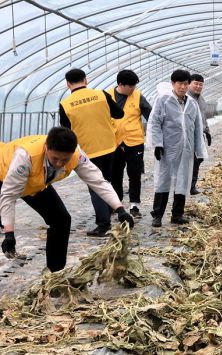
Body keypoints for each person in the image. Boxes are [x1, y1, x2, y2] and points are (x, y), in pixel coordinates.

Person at [0, 127, 134, 271]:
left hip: (34, 183)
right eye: (55, 158)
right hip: (4, 175)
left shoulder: (76, 154)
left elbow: (98, 181)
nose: (59, 163)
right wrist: (9, 234)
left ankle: (55, 273)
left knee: (61, 219)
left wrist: (120, 209)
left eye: (65, 160)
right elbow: (8, 195)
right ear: (46, 148)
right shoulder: (26, 157)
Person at [59, 68, 124, 237]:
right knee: (106, 181)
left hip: (87, 151)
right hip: (109, 146)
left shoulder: (65, 104)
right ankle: (110, 210)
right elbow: (119, 114)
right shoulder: (101, 95)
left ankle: (103, 224)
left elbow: (65, 131)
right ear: (85, 80)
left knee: (95, 187)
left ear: (68, 84)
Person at [148, 69, 207, 227]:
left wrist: (199, 150)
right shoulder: (163, 101)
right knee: (163, 181)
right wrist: (157, 144)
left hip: (186, 149)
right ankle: (157, 215)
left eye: (185, 84)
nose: (183, 87)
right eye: (180, 84)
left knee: (183, 181)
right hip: (168, 149)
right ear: (173, 84)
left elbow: (197, 127)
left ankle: (177, 215)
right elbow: (154, 123)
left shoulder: (192, 103)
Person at [108, 69, 152, 219]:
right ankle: (116, 203)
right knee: (115, 174)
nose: (133, 89)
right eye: (130, 86)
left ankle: (135, 205)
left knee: (134, 174)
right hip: (114, 142)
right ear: (121, 84)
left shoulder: (138, 96)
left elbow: (151, 116)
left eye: (134, 86)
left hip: (135, 142)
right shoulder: (107, 96)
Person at [187, 73, 212, 195]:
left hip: (199, 135)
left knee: (198, 158)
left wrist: (207, 131)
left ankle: (191, 185)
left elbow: (203, 117)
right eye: (195, 83)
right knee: (191, 160)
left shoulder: (201, 99)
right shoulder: (186, 98)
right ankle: (188, 185)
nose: (198, 86)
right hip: (188, 135)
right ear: (189, 84)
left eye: (201, 84)